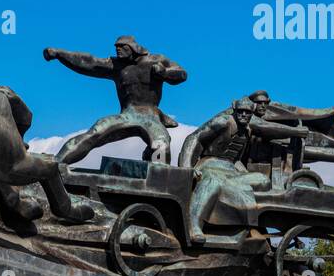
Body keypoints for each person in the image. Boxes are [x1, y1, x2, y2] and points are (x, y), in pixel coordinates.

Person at [179, 98, 308, 246]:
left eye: (248, 113)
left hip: (232, 170)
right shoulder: (222, 122)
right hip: (210, 164)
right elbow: (194, 138)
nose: (244, 115)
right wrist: (187, 167)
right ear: (234, 110)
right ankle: (194, 225)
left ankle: (230, 197)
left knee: (263, 180)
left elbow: (265, 129)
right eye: (240, 112)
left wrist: (296, 133)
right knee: (212, 181)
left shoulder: (248, 129)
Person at [43, 37, 187, 167]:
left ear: (133, 48)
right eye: (116, 47)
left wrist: (165, 73)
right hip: (127, 114)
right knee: (94, 133)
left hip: (151, 116)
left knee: (161, 144)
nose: (117, 50)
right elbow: (88, 62)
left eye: (122, 47)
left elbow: (181, 74)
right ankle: (56, 163)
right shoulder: (116, 66)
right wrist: (59, 54)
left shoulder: (156, 60)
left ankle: (159, 176)